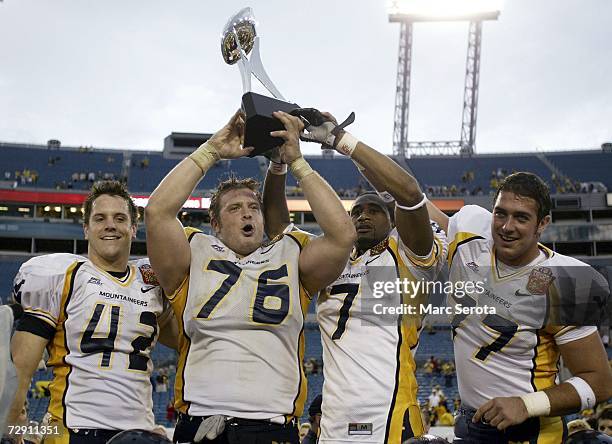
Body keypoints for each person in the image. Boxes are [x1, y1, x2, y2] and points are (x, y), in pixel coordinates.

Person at [144, 110, 355, 443]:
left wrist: (296, 161)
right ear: (214, 223)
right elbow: (156, 212)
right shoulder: (194, 250)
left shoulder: (290, 251)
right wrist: (211, 150)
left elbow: (342, 235)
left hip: (270, 425)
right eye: (234, 208)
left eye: (253, 207)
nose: (247, 212)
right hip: (200, 421)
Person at [263, 110, 447, 443]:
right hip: (334, 417)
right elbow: (278, 230)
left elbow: (408, 193)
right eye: (356, 211)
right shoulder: (332, 254)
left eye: (373, 210)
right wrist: (278, 165)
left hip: (391, 415)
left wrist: (339, 140)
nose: (362, 216)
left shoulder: (408, 255)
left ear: (392, 221)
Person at [424, 172, 612, 443]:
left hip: (530, 433)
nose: (507, 226)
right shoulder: (469, 240)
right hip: (469, 425)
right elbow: (413, 202)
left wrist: (527, 404)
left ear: (542, 223)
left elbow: (599, 382)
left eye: (521, 217)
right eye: (500, 214)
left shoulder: (563, 280)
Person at [6, 181, 177, 444]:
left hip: (138, 431)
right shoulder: (63, 274)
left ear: (133, 228)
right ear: (86, 229)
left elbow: (183, 341)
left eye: (120, 218)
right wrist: (13, 424)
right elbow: (22, 365)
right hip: (73, 430)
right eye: (100, 218)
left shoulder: (150, 281)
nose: (110, 225)